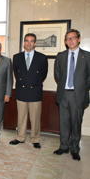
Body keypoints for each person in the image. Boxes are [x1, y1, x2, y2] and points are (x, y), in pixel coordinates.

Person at [53, 29, 90, 161]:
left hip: (78, 95)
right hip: (64, 95)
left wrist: (82, 87)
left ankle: (74, 148)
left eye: (73, 38)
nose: (70, 40)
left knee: (76, 123)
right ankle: (63, 146)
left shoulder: (87, 56)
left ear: (79, 39)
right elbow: (57, 75)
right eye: (68, 38)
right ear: (65, 41)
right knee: (63, 123)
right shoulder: (61, 55)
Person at [9, 33, 48, 149]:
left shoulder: (42, 57)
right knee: (21, 117)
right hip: (21, 90)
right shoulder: (17, 57)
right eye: (26, 41)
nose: (29, 43)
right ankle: (20, 137)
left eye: (31, 41)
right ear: (23, 43)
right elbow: (16, 73)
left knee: (35, 118)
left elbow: (43, 74)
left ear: (35, 43)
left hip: (35, 91)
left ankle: (35, 138)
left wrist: (32, 82)